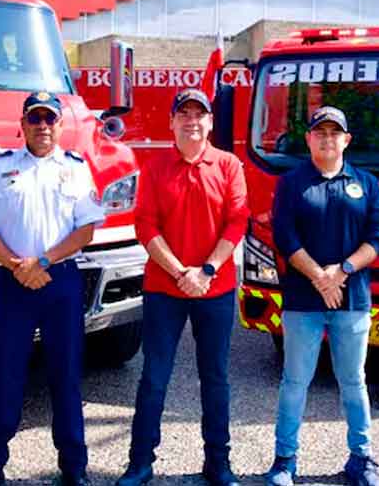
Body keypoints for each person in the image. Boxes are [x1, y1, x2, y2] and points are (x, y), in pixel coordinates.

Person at [0, 91, 106, 486]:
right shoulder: (1, 168)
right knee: (4, 375)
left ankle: (73, 466)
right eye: (35, 119)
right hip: (11, 283)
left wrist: (42, 262)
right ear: (22, 124)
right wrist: (17, 265)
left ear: (61, 126)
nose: (42, 126)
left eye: (50, 119)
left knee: (66, 375)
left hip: (59, 281)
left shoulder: (76, 168)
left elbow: (86, 229)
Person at [116, 88, 250, 486]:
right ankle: (140, 463)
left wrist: (206, 269)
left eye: (199, 114)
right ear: (172, 121)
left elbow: (237, 222)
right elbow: (146, 226)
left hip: (217, 287)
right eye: (184, 114)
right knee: (154, 377)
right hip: (164, 289)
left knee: (216, 378)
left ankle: (218, 463)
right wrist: (180, 273)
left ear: (210, 122)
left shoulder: (229, 166)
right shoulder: (155, 167)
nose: (192, 121)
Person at [265, 106, 379, 486]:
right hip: (303, 303)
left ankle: (362, 459)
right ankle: (284, 461)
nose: (327, 138)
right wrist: (320, 276)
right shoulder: (291, 183)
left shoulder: (366, 183)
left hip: (351, 302)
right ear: (309, 139)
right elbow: (284, 237)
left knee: (353, 381)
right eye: (320, 131)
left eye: (335, 132)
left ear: (346, 140)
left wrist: (343, 271)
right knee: (294, 382)